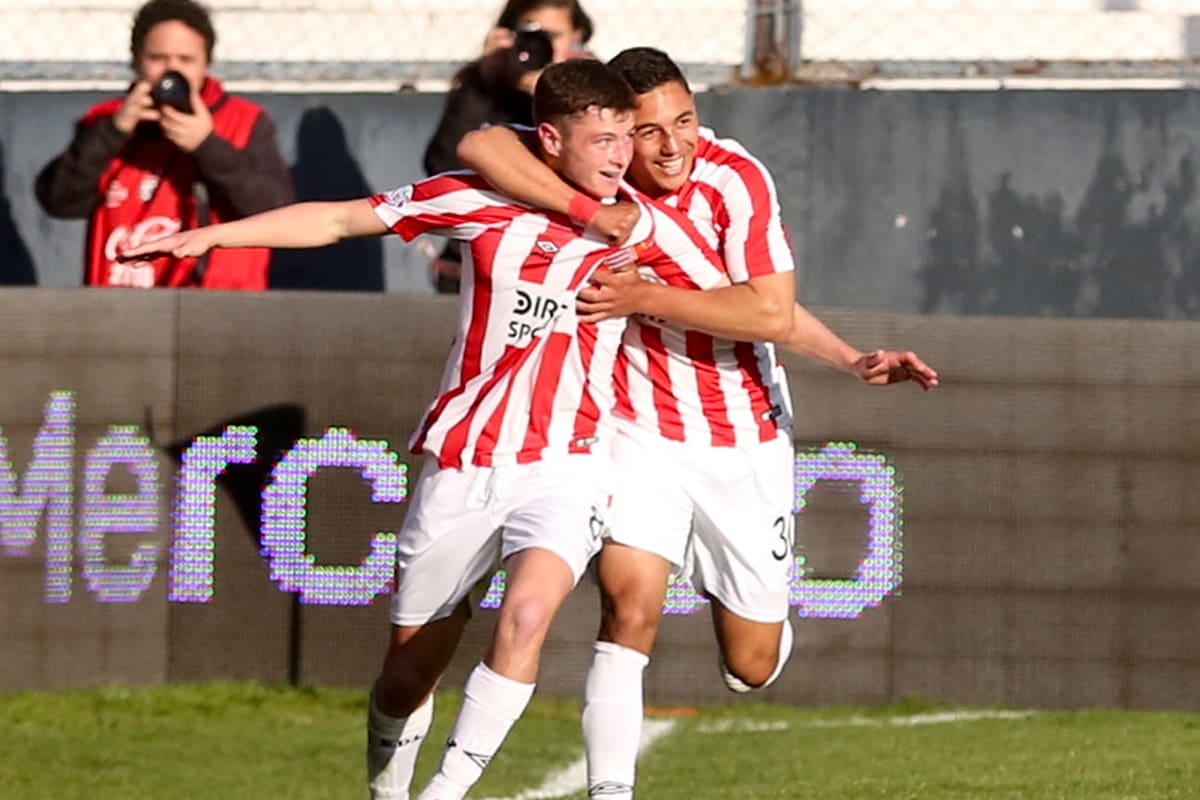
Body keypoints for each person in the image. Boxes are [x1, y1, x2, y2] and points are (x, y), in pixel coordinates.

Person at [121, 58, 738, 800]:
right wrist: (214, 237)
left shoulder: (640, 222)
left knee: (530, 612)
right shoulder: (480, 201)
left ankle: (444, 793)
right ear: (548, 139)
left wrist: (840, 351)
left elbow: (758, 302)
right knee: (406, 677)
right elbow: (343, 216)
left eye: (622, 139)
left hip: (566, 463)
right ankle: (389, 786)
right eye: (601, 140)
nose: (620, 155)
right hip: (464, 463)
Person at [457, 46, 939, 799]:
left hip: (745, 440)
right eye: (647, 131)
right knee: (629, 610)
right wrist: (590, 212)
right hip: (639, 431)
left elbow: (767, 311)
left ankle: (747, 603)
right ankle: (611, 792)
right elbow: (479, 144)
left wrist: (848, 359)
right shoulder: (593, 177)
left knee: (749, 664)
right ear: (618, 132)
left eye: (685, 120)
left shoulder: (733, 176)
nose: (673, 143)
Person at [34, 0, 292, 289]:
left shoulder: (243, 120)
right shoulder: (107, 120)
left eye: (186, 59)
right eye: (158, 58)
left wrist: (207, 145)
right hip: (120, 301)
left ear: (206, 63)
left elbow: (274, 209)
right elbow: (60, 200)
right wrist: (114, 133)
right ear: (136, 61)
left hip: (214, 305)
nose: (172, 70)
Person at [422, 0, 595, 293]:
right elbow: (442, 165)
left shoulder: (595, 87)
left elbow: (589, 172)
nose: (540, 45)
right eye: (531, 33)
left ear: (577, 37)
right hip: (477, 262)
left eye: (552, 36)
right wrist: (483, 78)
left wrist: (552, 95)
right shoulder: (488, 87)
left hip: (555, 262)